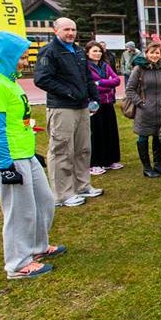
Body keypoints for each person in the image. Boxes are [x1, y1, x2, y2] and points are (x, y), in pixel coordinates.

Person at [0, 31, 65, 279]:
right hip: (7, 158)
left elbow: (17, 121)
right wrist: (5, 165)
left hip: (24, 154)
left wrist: (29, 137)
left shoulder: (9, 82)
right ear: (6, 56)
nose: (24, 62)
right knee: (19, 211)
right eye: (21, 57)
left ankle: (37, 247)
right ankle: (17, 264)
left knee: (44, 201)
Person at [34, 17, 103, 208]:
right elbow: (42, 79)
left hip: (82, 107)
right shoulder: (50, 52)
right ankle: (62, 194)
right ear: (56, 30)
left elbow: (87, 77)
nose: (70, 33)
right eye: (66, 30)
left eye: (73, 29)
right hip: (62, 107)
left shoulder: (79, 51)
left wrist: (94, 96)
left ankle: (82, 185)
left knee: (83, 148)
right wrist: (69, 92)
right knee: (62, 150)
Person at [127, 41, 161, 178]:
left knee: (158, 137)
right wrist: (141, 103)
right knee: (143, 137)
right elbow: (130, 90)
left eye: (157, 53)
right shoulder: (139, 69)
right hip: (144, 111)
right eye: (152, 52)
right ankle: (147, 167)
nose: (154, 55)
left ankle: (158, 165)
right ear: (147, 53)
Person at [86, 41, 123, 176]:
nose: (97, 54)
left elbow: (116, 80)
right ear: (88, 52)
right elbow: (91, 85)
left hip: (108, 102)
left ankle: (110, 160)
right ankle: (95, 162)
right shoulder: (86, 67)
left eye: (99, 51)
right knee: (96, 133)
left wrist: (101, 82)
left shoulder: (105, 66)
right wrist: (106, 83)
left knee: (110, 131)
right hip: (94, 104)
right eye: (94, 51)